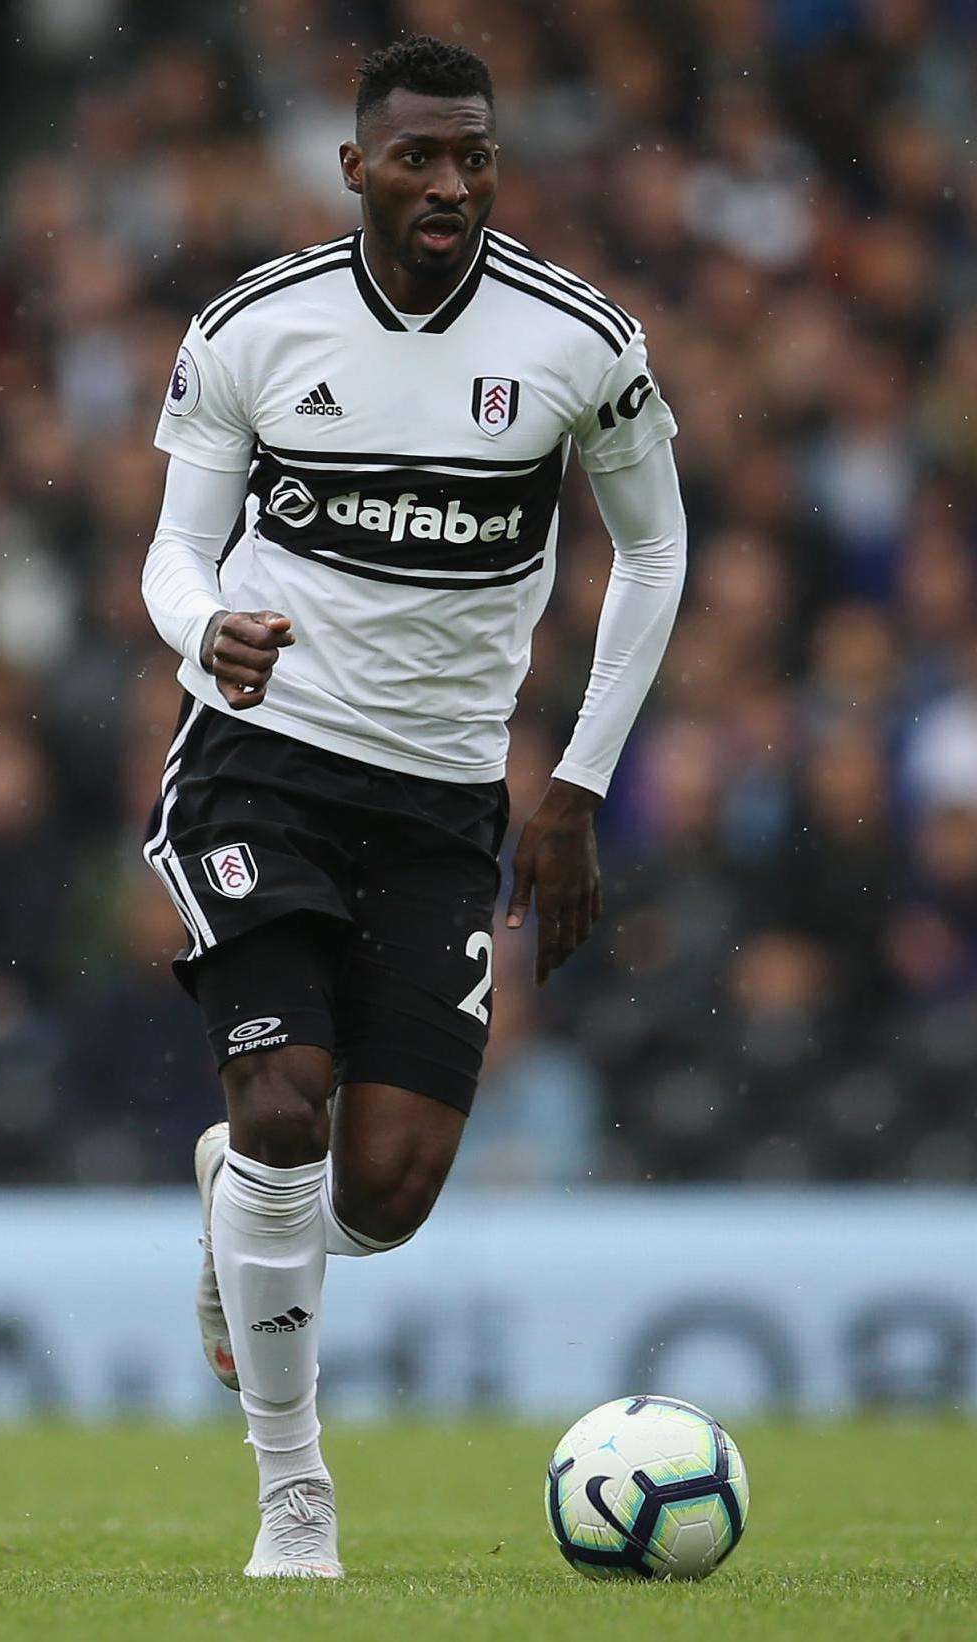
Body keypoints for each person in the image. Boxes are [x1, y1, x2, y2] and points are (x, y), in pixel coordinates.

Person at [135, 36, 686, 1578]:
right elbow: (172, 550)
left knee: (381, 1194)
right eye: (419, 156)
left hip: (445, 797)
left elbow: (655, 550)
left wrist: (577, 783)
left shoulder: (579, 343)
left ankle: (242, 1202)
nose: (450, 183)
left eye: (474, 157)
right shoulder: (253, 327)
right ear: (356, 168)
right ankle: (295, 1498)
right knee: (284, 1099)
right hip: (261, 761)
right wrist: (206, 630)